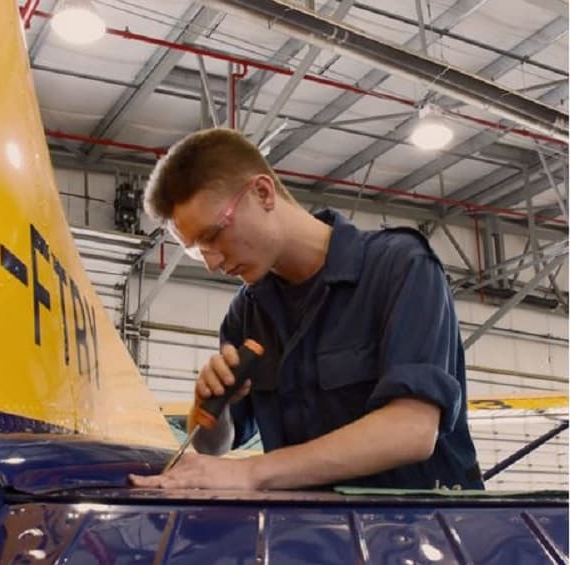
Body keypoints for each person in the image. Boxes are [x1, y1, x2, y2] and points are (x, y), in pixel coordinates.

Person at [128, 127, 483, 491]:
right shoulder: (247, 314)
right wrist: (210, 409)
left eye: (213, 235)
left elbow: (412, 429)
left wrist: (252, 472)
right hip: (313, 522)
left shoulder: (400, 267)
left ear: (263, 193)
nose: (211, 263)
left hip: (427, 520)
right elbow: (214, 447)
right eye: (196, 250)